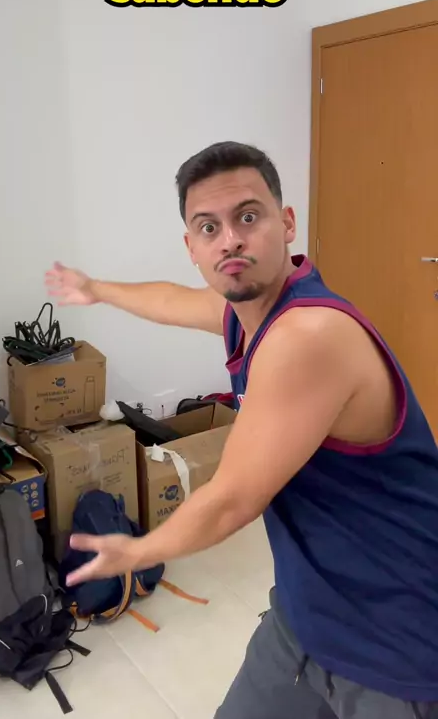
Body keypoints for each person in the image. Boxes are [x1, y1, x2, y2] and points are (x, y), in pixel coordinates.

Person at [45, 141, 438, 719]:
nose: (229, 239)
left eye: (247, 217)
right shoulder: (245, 313)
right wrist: (97, 289)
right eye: (209, 227)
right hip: (307, 618)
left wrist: (140, 549)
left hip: (397, 642)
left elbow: (233, 499)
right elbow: (170, 300)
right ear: (192, 247)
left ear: (287, 223)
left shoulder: (307, 336)